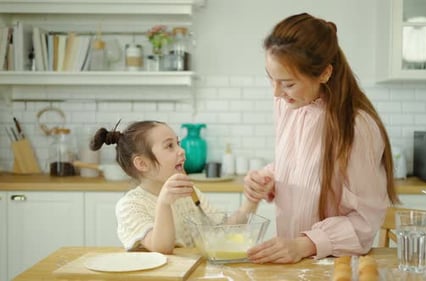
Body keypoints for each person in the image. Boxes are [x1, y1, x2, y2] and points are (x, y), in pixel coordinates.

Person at [243, 13, 399, 264]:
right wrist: (268, 178)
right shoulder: (288, 105)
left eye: (288, 83)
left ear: (325, 73)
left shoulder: (357, 127)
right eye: (270, 78)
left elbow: (365, 221)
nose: (276, 92)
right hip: (296, 265)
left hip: (335, 266)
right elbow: (302, 168)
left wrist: (303, 245)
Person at [90, 120, 256, 254]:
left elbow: (223, 230)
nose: (182, 151)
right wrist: (164, 203)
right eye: (170, 146)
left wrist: (252, 199)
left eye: (178, 143)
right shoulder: (130, 206)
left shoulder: (190, 194)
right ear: (142, 163)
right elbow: (161, 247)